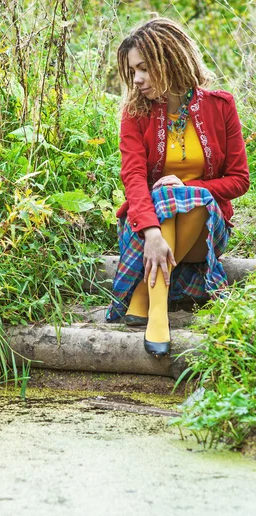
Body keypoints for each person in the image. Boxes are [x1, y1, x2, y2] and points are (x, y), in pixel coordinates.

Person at [106, 17, 250, 358]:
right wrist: (152, 233)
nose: (136, 79)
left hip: (203, 229)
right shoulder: (134, 113)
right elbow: (134, 180)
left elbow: (240, 180)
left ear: (169, 60)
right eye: (132, 71)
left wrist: (188, 185)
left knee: (192, 197)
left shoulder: (221, 105)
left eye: (143, 68)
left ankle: (143, 291)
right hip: (145, 229)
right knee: (166, 195)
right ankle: (158, 312)